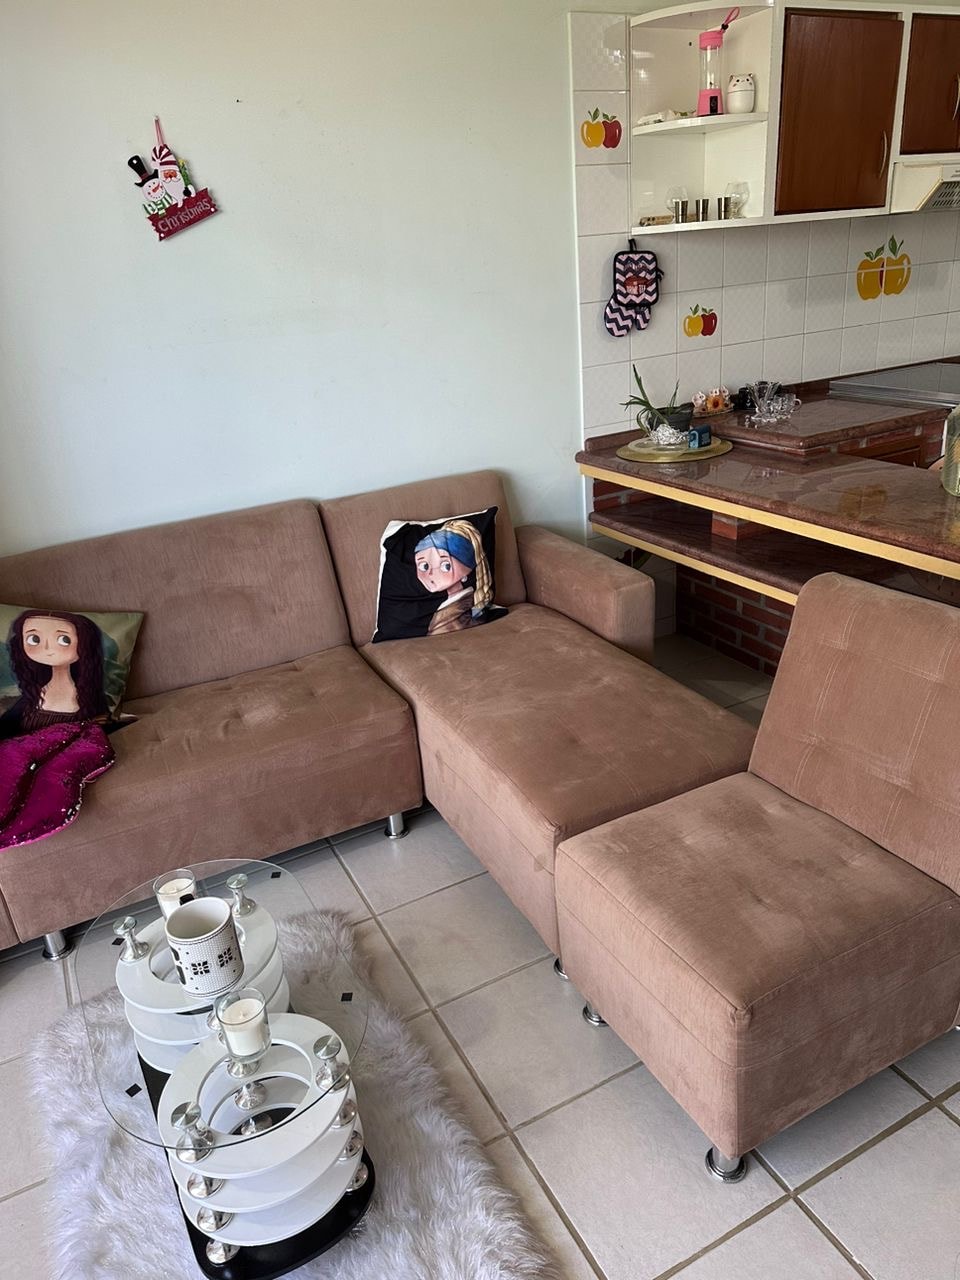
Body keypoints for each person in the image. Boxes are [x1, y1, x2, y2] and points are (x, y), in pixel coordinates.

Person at [0, 610, 109, 740]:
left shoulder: (91, 699)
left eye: (64, 639)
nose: (47, 648)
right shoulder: (31, 696)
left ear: (85, 643)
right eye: (34, 639)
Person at [413, 519, 494, 635]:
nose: (430, 573)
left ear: (467, 569)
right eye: (424, 566)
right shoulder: (451, 605)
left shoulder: (466, 607)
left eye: (445, 566)